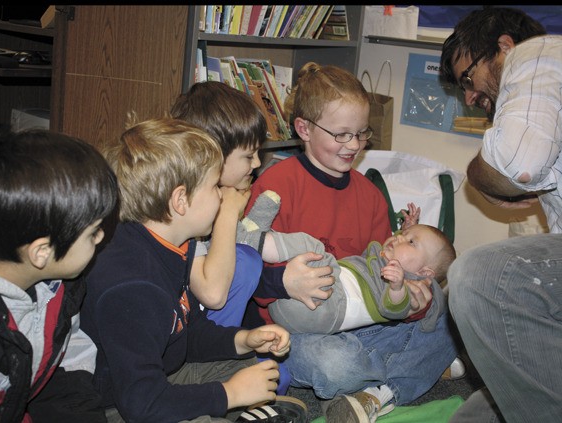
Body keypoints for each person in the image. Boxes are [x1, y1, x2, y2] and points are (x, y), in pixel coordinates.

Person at [245, 62, 458, 423]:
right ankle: (403, 375)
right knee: (334, 364)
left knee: (448, 313)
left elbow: (384, 271)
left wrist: (412, 300)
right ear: (304, 129)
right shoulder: (276, 185)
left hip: (363, 319)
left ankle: (377, 388)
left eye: (361, 134)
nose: (355, 145)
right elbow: (244, 261)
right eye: (342, 134)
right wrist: (282, 283)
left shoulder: (370, 194)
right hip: (301, 328)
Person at [79, 117, 307, 423]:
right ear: (180, 200)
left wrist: (243, 339)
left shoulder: (175, 246)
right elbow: (140, 402)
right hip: (117, 407)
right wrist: (230, 394)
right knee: (224, 401)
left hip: (165, 375)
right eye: (215, 186)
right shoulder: (131, 286)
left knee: (263, 373)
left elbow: (187, 332)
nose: (223, 195)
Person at [439, 7, 562, 423]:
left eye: (467, 80)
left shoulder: (538, 54)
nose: (470, 98)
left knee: (478, 277)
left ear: (504, 46)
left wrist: (479, 177)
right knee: (470, 419)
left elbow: (517, 166)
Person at [0, 129, 119, 422]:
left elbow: (65, 358)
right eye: (92, 232)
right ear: (41, 252)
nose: (101, 237)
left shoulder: (58, 285)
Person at [239, 192, 454, 334]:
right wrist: (408, 231)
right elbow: (399, 246)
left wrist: (397, 287)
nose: (398, 238)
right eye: (402, 233)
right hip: (294, 302)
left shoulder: (409, 285)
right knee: (300, 256)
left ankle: (248, 239)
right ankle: (255, 240)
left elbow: (395, 308)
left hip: (331, 305)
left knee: (313, 249)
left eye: (410, 241)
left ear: (426, 272)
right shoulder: (385, 259)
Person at [169, 80, 266, 328]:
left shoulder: (228, 190)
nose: (256, 164)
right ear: (215, 156)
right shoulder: (185, 206)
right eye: (248, 155)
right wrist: (228, 214)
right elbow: (213, 294)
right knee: (245, 262)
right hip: (187, 333)